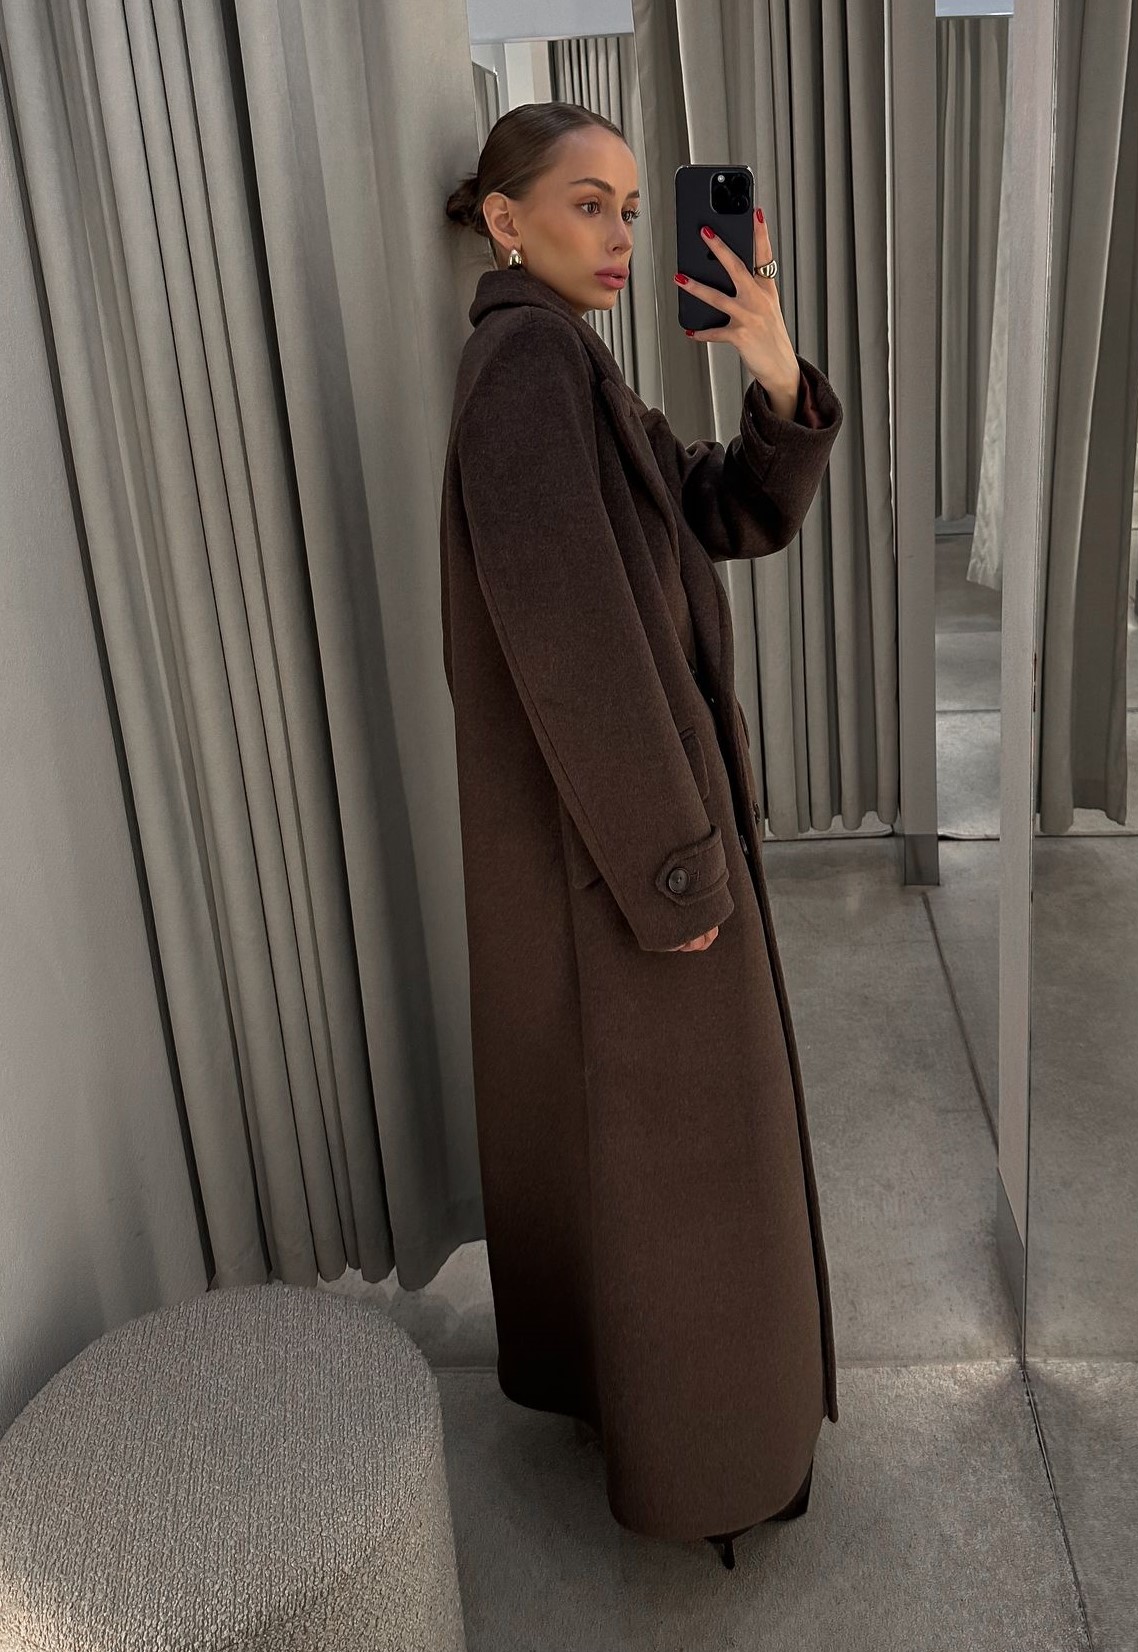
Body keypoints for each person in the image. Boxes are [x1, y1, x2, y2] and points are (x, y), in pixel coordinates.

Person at [439, 103, 844, 1569]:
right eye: (586, 205)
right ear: (504, 221)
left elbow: (721, 512)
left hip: (630, 842)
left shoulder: (570, 361)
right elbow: (575, 651)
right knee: (693, 1179)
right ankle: (712, 1467)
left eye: (628, 206)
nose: (620, 236)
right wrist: (673, 870)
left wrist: (773, 369)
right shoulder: (525, 372)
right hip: (628, 857)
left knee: (655, 1170)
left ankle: (669, 1429)